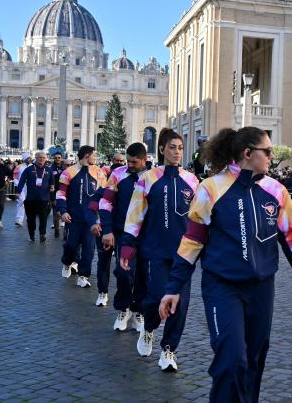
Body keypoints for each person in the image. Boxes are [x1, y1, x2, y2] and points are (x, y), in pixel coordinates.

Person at [158, 127, 292, 401]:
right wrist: (174, 286)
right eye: (267, 151)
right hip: (221, 288)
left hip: (261, 289)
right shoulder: (210, 188)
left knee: (253, 362)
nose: (271, 156)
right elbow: (192, 241)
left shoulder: (276, 191)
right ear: (248, 153)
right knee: (231, 360)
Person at [120, 128, 199, 371]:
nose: (177, 152)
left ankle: (169, 350)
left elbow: (200, 218)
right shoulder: (148, 179)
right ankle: (149, 327)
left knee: (180, 305)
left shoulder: (192, 181)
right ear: (162, 149)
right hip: (155, 251)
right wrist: (127, 245)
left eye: (180, 148)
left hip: (184, 254)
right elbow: (135, 214)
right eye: (172, 147)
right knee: (154, 298)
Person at [98, 143, 149, 331]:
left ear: (145, 160)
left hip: (147, 235)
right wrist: (107, 229)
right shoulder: (118, 174)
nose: (130, 164)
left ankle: (139, 311)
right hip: (123, 233)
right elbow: (106, 202)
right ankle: (123, 308)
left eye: (134, 162)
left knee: (144, 274)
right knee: (123, 271)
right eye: (128, 161)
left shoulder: (153, 176)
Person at [56, 145, 108, 288]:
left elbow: (104, 195)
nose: (95, 158)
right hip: (73, 217)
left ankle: (83, 276)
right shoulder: (68, 172)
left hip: (91, 220)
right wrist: (63, 210)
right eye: (93, 155)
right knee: (71, 245)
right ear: (86, 156)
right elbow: (61, 194)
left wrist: (101, 217)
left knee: (89, 249)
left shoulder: (99, 173)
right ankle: (67, 262)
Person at [17, 151, 53, 242]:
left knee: (43, 218)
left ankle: (42, 234)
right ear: (35, 158)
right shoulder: (29, 169)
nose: (41, 159)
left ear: (46, 159)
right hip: (30, 199)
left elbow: (52, 181)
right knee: (31, 219)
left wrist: (52, 187)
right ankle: (31, 234)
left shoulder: (49, 169)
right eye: (39, 157)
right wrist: (19, 191)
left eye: (43, 157)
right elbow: (22, 181)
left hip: (44, 199)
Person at [13, 152, 33, 226]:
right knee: (21, 201)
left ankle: (29, 218)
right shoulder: (19, 167)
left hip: (31, 187)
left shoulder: (33, 166)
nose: (30, 159)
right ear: (24, 159)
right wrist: (18, 185)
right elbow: (15, 177)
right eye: (28, 158)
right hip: (21, 187)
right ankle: (19, 219)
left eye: (30, 158)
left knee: (30, 202)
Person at [49, 152, 66, 238]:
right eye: (55, 158)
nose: (57, 159)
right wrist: (52, 197)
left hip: (65, 193)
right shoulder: (51, 168)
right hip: (55, 193)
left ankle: (66, 232)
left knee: (66, 213)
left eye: (59, 157)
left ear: (61, 158)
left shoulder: (65, 168)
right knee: (56, 213)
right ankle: (56, 229)